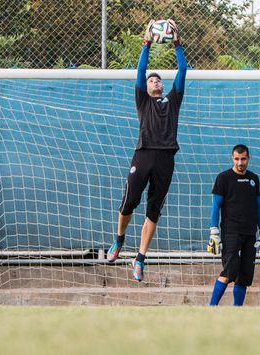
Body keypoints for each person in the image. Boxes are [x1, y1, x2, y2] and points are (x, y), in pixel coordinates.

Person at [105, 19, 188, 282]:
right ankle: (119, 241)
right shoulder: (142, 100)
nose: (154, 81)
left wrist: (176, 42)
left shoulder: (173, 101)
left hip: (166, 158)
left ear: (162, 86)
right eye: (151, 79)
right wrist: (145, 44)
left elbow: (183, 70)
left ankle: (140, 259)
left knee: (153, 211)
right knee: (129, 202)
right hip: (143, 154)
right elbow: (140, 72)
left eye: (157, 79)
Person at [207, 144, 260, 306]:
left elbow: (258, 206)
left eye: (243, 159)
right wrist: (214, 232)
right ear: (232, 158)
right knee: (229, 272)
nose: (240, 162)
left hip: (250, 234)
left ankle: (237, 311)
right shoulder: (223, 178)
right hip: (230, 233)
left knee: (244, 276)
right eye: (237, 159)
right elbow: (216, 206)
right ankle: (211, 308)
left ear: (248, 158)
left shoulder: (254, 179)